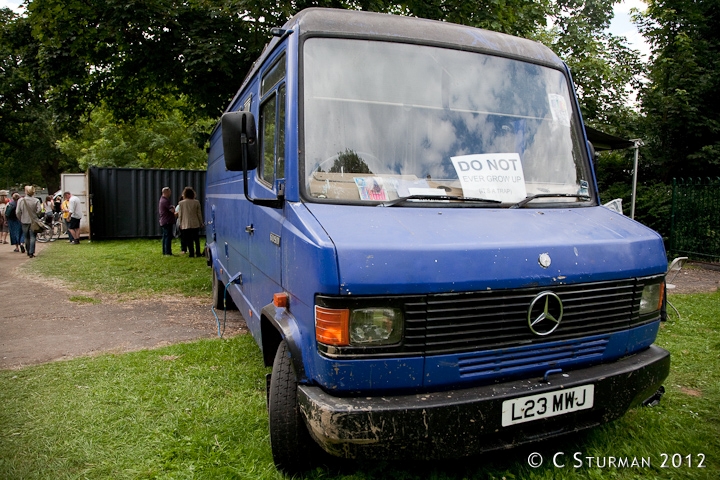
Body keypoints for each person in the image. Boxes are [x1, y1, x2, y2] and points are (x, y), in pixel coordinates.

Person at [16, 185, 42, 258]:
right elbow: (39, 210)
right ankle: (31, 252)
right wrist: (36, 215)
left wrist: (20, 218)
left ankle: (28, 250)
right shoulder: (36, 200)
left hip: (24, 220)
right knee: (33, 236)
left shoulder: (21, 200)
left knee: (26, 237)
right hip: (33, 221)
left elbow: (18, 212)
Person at [177, 187, 203, 258]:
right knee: (196, 239)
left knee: (189, 240)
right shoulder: (196, 202)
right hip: (195, 223)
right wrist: (201, 222)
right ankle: (198, 252)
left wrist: (180, 223)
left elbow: (180, 215)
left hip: (185, 224)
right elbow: (199, 214)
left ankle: (191, 253)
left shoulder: (181, 203)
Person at [158, 187, 175, 255]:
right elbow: (172, 210)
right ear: (166, 192)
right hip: (167, 221)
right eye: (169, 192)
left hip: (164, 221)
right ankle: (168, 252)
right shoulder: (165, 201)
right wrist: (173, 207)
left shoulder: (162, 200)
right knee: (168, 236)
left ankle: (165, 251)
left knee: (165, 236)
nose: (170, 193)